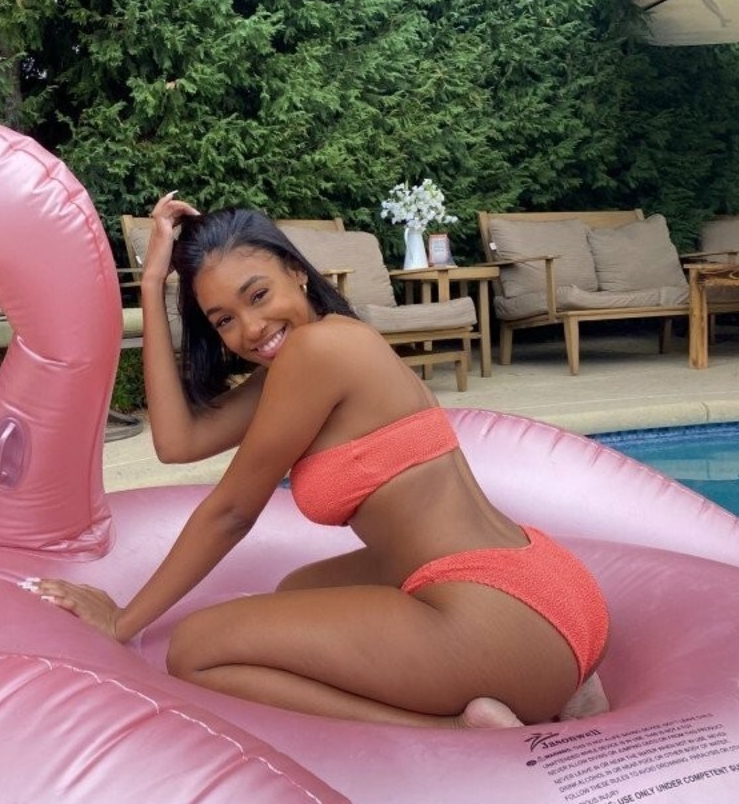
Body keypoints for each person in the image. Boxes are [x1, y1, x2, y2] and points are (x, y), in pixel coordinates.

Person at [33, 196, 610, 728]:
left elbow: (231, 513)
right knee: (297, 589)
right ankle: (563, 682)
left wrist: (124, 620)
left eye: (258, 295)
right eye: (223, 319)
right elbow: (178, 443)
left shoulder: (315, 353)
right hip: (550, 587)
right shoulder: (324, 348)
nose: (250, 329)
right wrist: (152, 283)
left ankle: (459, 727)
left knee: (194, 650)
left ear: (297, 272)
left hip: (501, 617)